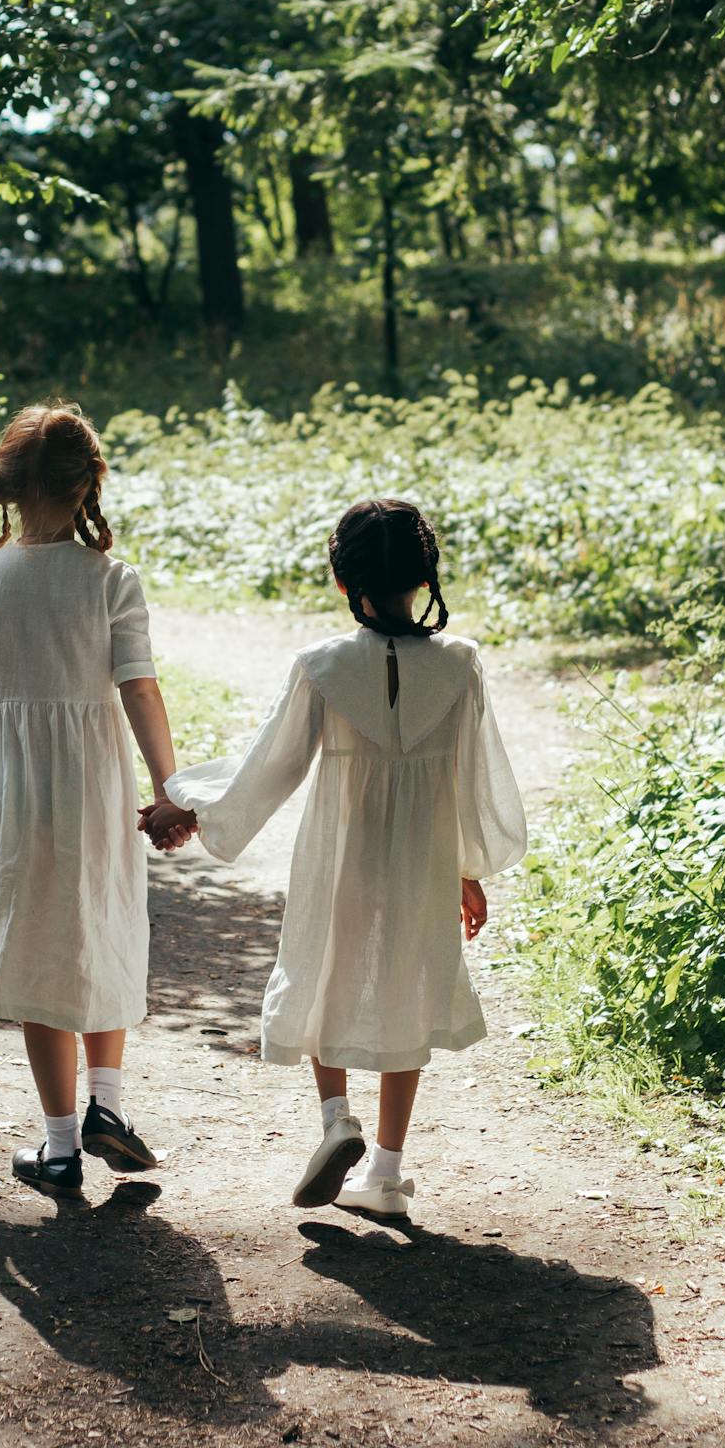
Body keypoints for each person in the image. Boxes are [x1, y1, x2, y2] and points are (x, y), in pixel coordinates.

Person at [151, 496, 525, 1215]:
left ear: (340, 579)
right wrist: (467, 866)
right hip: (422, 857)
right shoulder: (461, 666)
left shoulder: (321, 665)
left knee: (324, 969)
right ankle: (384, 1172)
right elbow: (478, 777)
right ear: (424, 576)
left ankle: (335, 1121)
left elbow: (270, 763)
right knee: (408, 985)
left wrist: (189, 804)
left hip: (339, 853)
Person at [0, 403, 188, 1197]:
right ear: (87, 485)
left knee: (34, 944)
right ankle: (107, 1105)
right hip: (93, 784)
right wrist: (169, 791)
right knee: (99, 923)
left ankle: (61, 1146)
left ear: (6, 486)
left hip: (9, 791)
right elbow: (140, 687)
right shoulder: (111, 581)